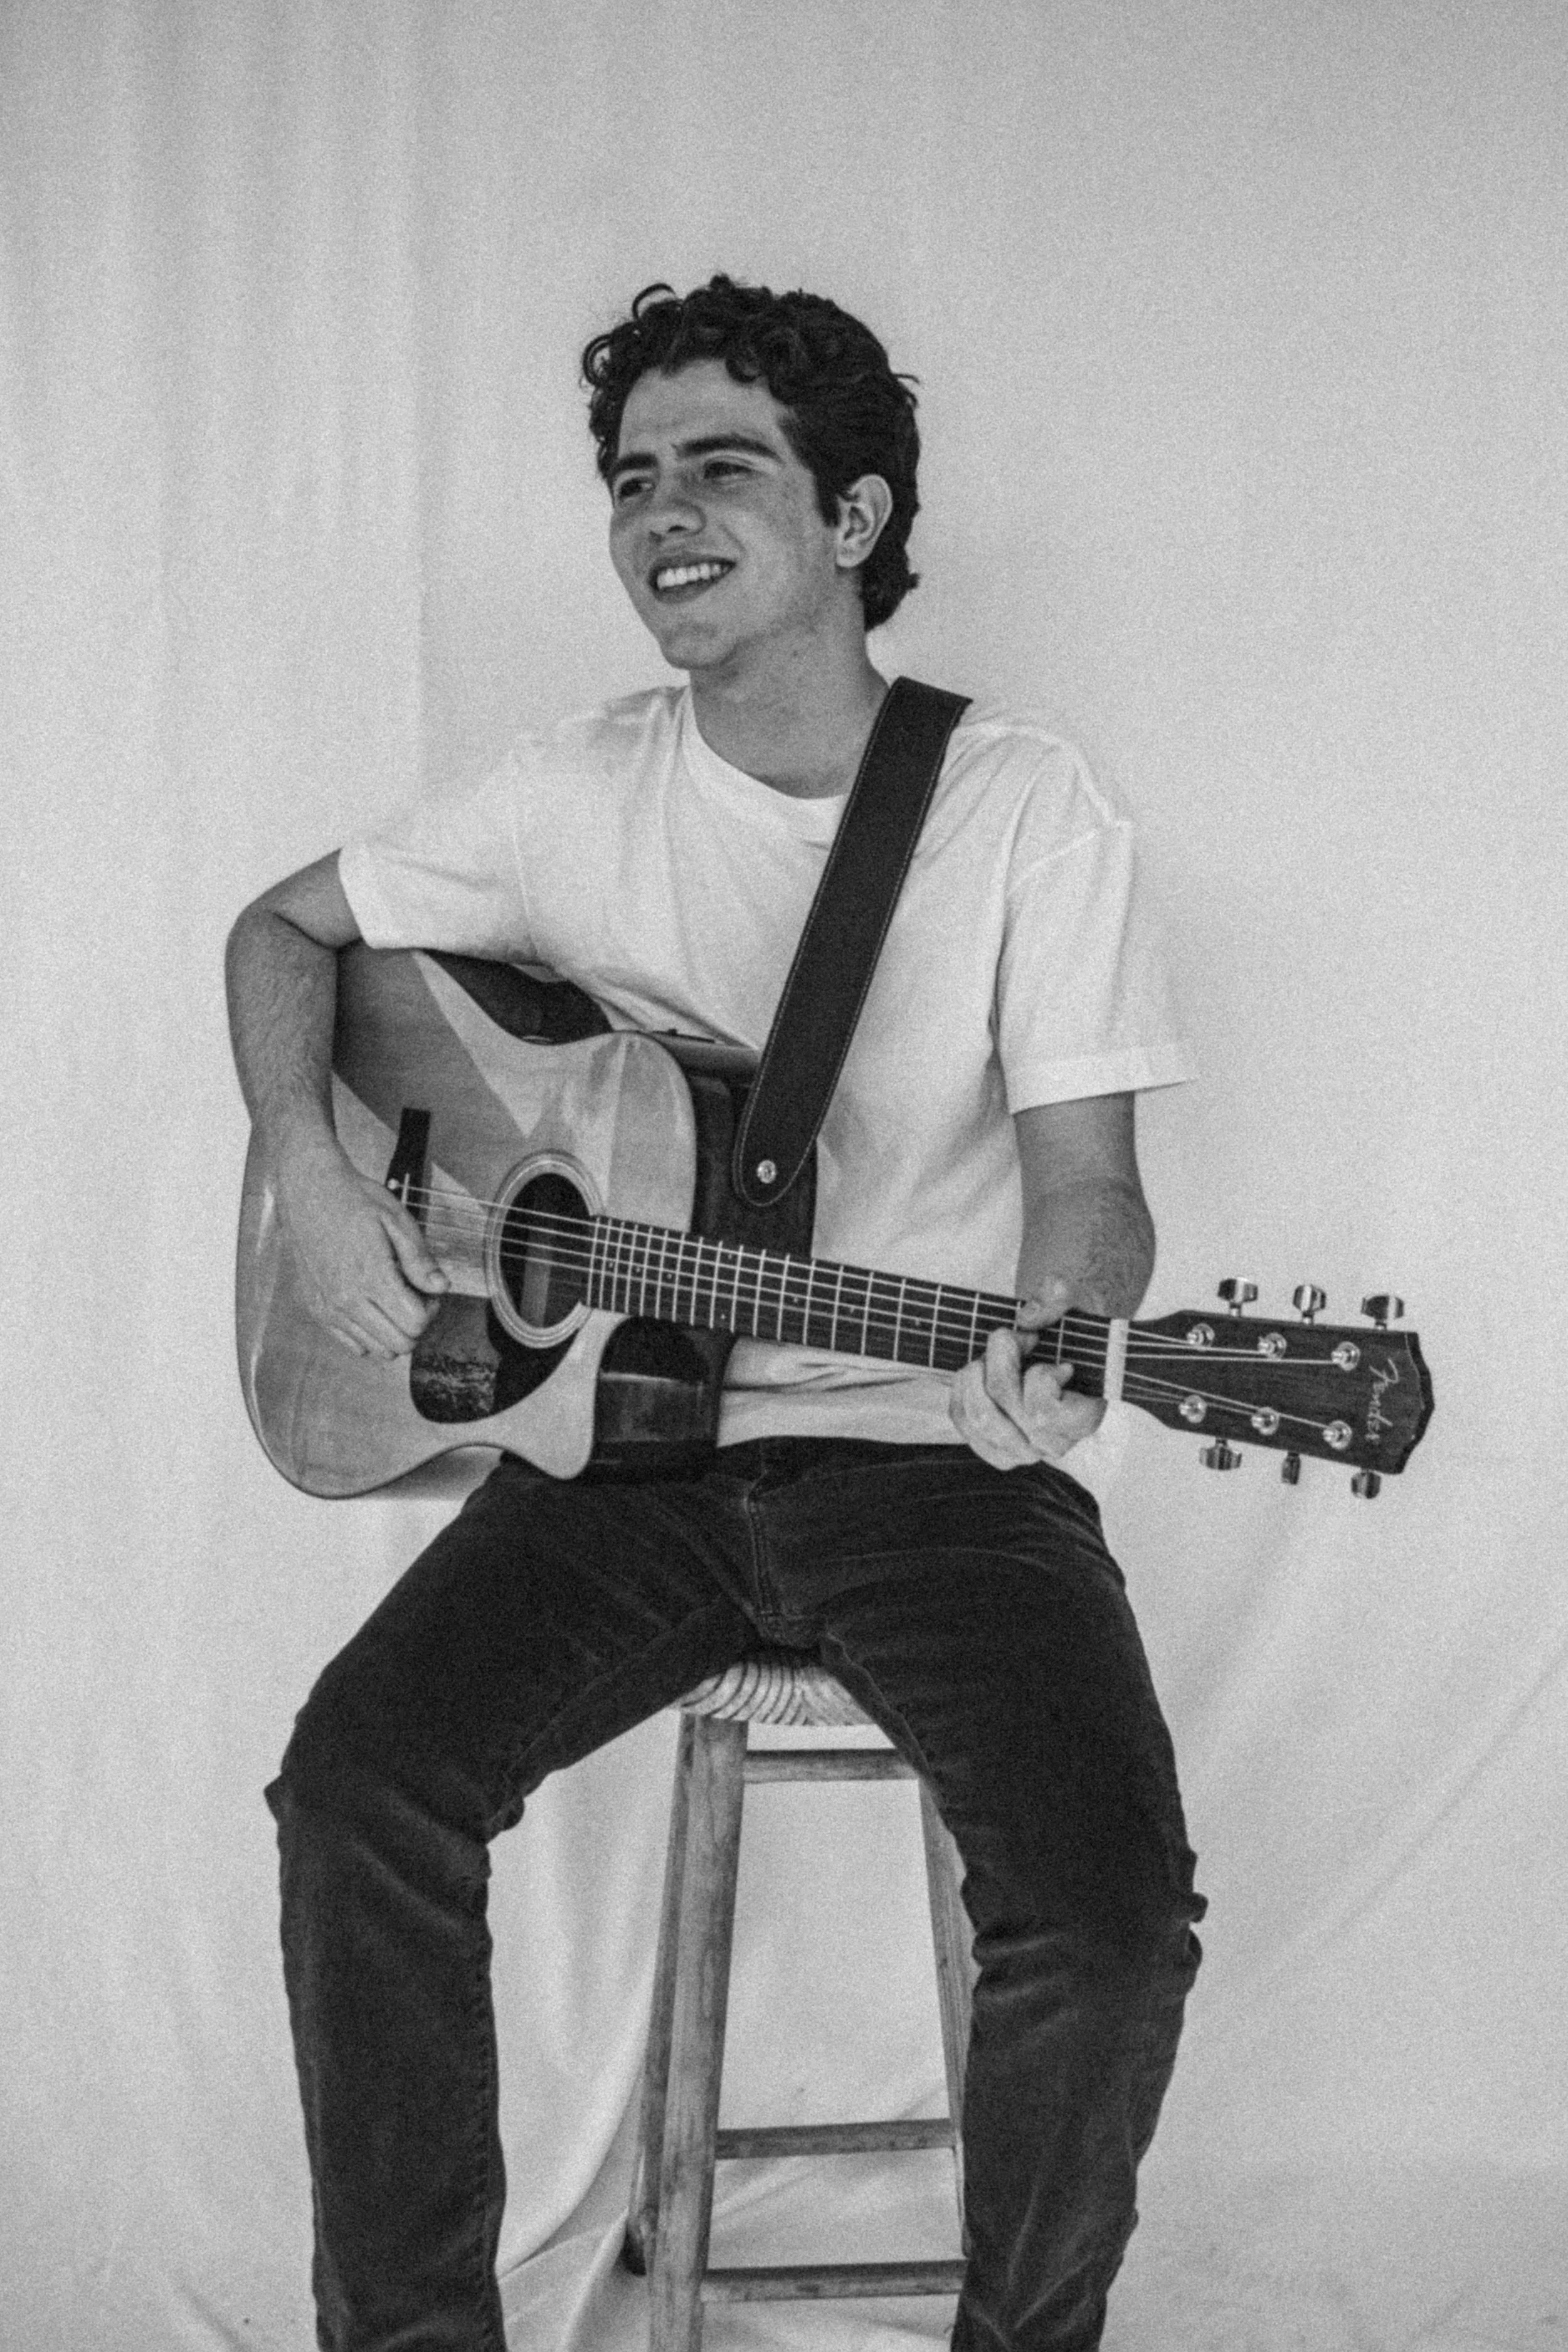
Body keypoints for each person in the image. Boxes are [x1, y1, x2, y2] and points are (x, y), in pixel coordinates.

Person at [226, 274, 1206, 2352]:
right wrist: (319, 1186)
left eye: (720, 467)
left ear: (850, 519)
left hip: (936, 1465)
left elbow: (1090, 1197)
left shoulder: (1023, 806)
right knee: (358, 1790)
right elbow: (281, 932)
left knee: (1109, 1922)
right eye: (633, 477)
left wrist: (1059, 1336)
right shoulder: (569, 787)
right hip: (632, 1473)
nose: (660, 510)